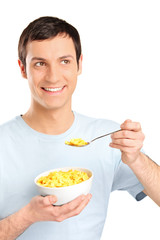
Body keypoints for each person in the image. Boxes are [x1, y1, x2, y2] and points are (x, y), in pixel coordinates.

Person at [0, 16, 159, 240]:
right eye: (40, 63)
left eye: (64, 61)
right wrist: (27, 216)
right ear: (22, 68)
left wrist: (137, 160)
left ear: (79, 64)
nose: (53, 76)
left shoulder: (108, 138)